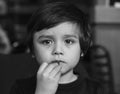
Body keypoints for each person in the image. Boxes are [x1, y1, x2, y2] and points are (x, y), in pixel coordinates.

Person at [10, 1, 105, 94]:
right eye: (47, 42)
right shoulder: (20, 88)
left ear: (82, 49)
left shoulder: (96, 90)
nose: (58, 50)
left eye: (68, 41)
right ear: (33, 50)